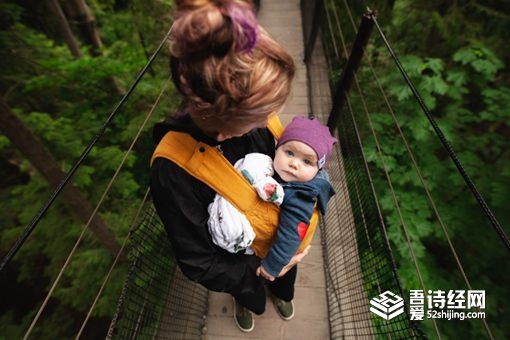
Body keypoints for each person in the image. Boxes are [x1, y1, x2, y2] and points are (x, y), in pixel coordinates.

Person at [150, 0, 311, 333]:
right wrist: (264, 268)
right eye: (260, 115)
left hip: (280, 236)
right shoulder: (173, 171)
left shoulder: (258, 125)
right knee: (250, 293)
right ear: (227, 127)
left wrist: (287, 254)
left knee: (285, 281)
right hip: (241, 265)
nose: (270, 119)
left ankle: (282, 293)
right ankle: (250, 301)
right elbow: (199, 261)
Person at [207, 116, 337, 285]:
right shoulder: (279, 172)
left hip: (280, 254)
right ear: (277, 148)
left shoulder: (301, 196)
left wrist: (272, 267)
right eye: (289, 153)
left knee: (280, 282)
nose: (294, 164)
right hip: (270, 243)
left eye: (306, 161)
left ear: (317, 169)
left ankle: (283, 296)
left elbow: (291, 235)